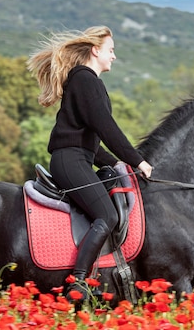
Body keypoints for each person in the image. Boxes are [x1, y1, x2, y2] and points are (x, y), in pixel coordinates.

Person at [27, 25, 153, 302]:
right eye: (111, 50)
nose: (114, 56)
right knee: (107, 216)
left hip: (76, 158)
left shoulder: (83, 81)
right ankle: (79, 281)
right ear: (96, 50)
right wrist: (138, 160)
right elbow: (106, 128)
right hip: (70, 161)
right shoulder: (86, 80)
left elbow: (93, 146)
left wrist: (123, 165)